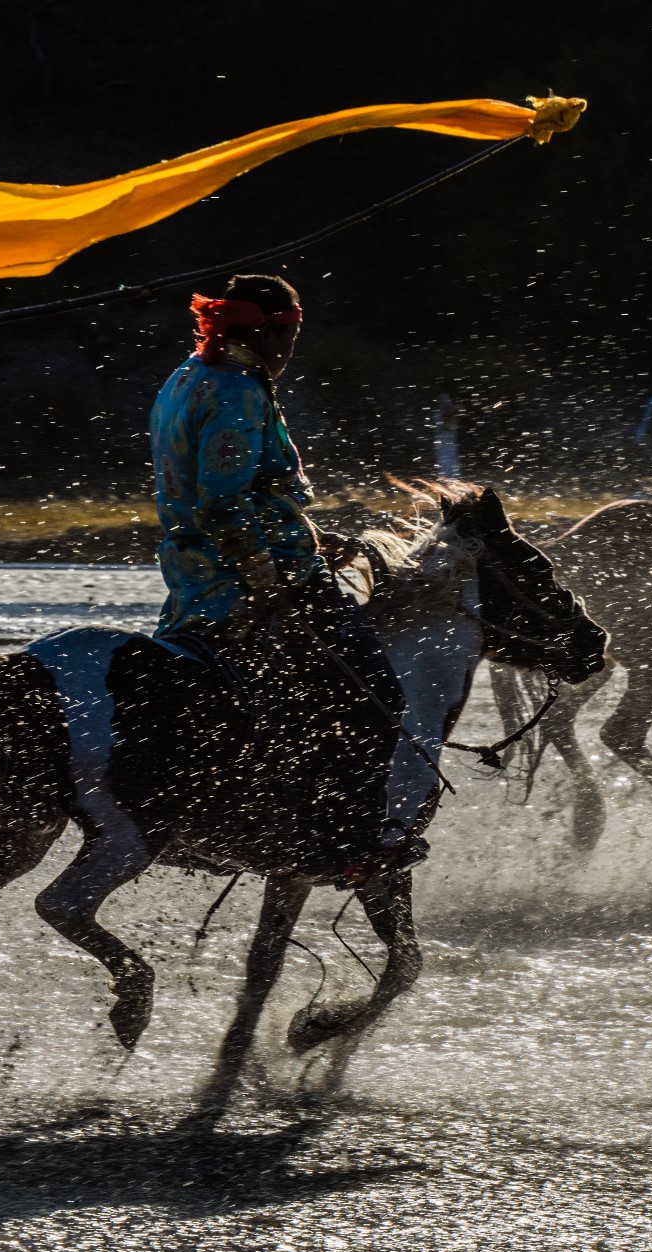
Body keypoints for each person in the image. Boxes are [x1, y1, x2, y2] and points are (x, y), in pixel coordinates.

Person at [149, 272, 418, 883]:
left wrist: (315, 540)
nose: (293, 349)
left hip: (191, 581)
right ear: (269, 333)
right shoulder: (238, 391)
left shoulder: (185, 377)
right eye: (291, 334)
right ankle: (350, 845)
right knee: (374, 694)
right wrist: (272, 580)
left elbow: (228, 494)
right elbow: (223, 503)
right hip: (246, 583)